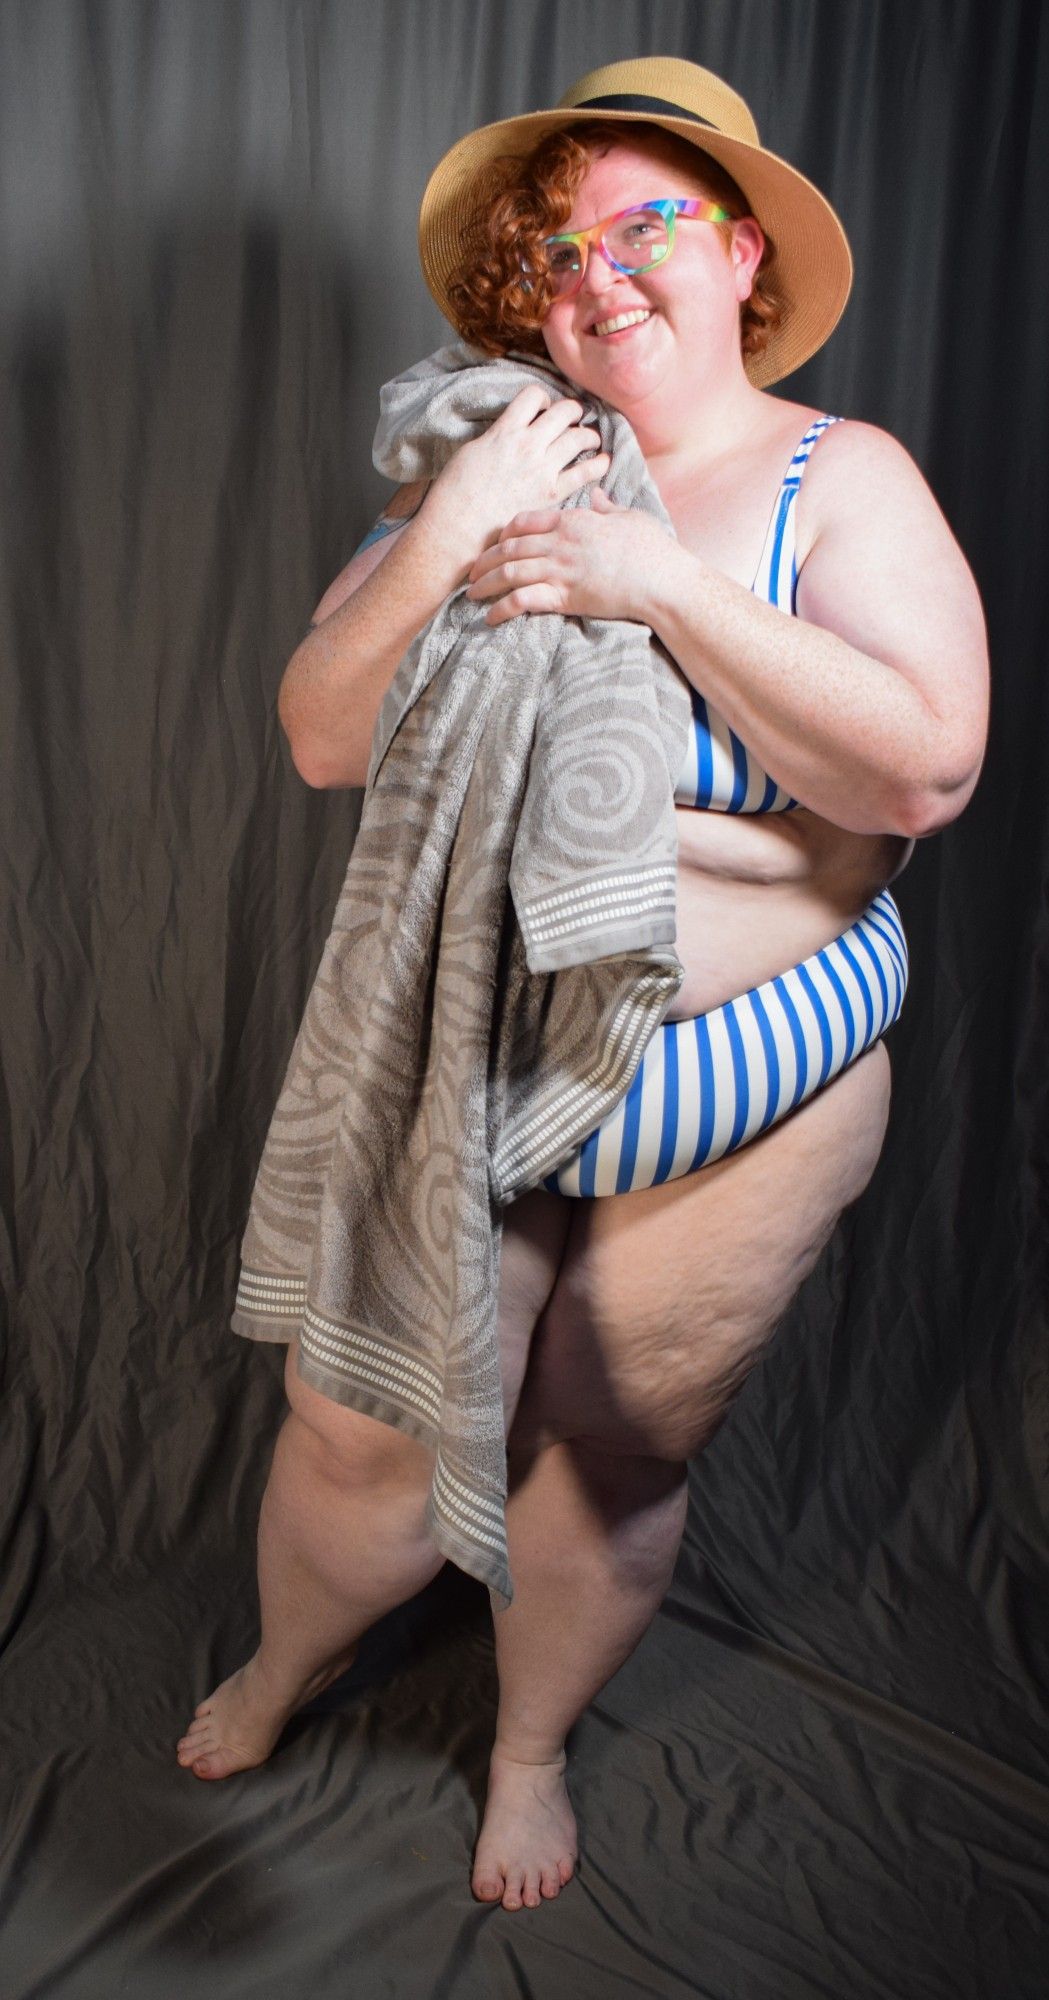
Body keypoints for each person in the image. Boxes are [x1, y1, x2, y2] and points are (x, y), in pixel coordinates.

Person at [176, 57, 989, 1913]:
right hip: (475, 1054)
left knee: (610, 1443)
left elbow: (922, 774)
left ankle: (526, 1754)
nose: (597, 272)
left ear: (742, 261)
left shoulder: (834, 475)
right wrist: (458, 530)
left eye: (643, 226)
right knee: (355, 1419)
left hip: (742, 1101)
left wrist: (657, 587)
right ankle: (286, 1664)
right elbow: (320, 734)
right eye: (558, 249)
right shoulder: (497, 452)